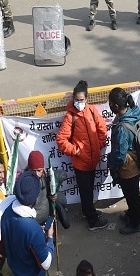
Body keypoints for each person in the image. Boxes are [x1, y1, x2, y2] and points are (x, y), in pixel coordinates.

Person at [55, 80, 109, 230]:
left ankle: (87, 211)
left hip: (93, 161)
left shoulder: (91, 111)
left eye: (81, 100)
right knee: (86, 192)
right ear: (73, 99)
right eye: (76, 100)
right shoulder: (70, 117)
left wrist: (99, 144)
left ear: (87, 98)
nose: (79, 102)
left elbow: (102, 128)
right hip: (81, 164)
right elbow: (61, 140)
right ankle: (92, 221)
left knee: (89, 190)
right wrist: (76, 151)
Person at [0, 170, 55, 275]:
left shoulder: (4, 210)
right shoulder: (32, 228)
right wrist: (50, 238)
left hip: (14, 269)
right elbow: (45, 264)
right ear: (36, 197)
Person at [108, 87, 140, 234]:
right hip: (137, 162)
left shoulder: (122, 127)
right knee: (133, 194)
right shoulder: (134, 113)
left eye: (110, 103)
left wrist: (111, 163)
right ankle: (132, 214)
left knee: (132, 196)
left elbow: (120, 155)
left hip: (128, 168)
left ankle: (135, 223)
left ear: (116, 106)